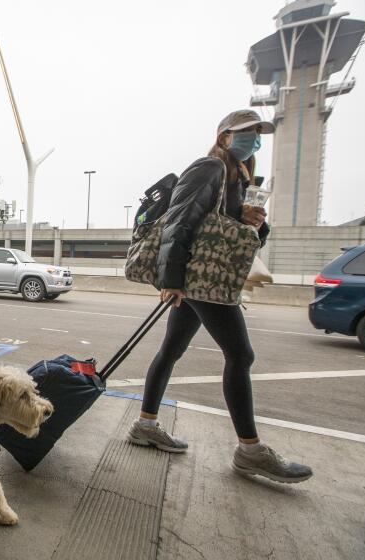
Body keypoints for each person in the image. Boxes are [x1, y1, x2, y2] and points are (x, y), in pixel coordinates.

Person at [127, 110, 313, 483]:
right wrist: (172, 279)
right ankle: (250, 451)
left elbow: (224, 231)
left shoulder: (235, 178)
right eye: (245, 133)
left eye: (259, 133)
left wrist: (252, 221)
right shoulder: (209, 167)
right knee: (241, 355)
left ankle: (145, 425)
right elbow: (180, 221)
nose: (254, 139)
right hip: (199, 279)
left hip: (202, 279)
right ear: (224, 136)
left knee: (172, 350)